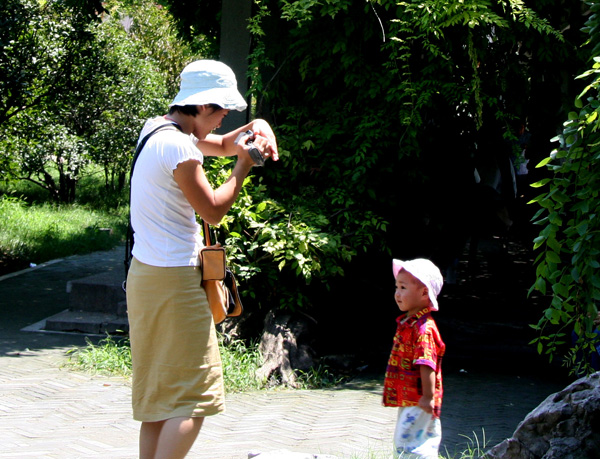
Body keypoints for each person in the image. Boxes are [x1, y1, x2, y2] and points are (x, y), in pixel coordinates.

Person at [125, 59, 278, 459]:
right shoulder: (179, 145)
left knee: (160, 396)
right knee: (194, 396)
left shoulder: (157, 130)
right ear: (203, 106)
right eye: (222, 112)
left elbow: (226, 143)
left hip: (145, 277)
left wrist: (259, 126)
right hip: (175, 281)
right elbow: (212, 210)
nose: (223, 119)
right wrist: (243, 167)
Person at [383, 258, 445, 458]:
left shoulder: (423, 329)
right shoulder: (410, 324)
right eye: (396, 287)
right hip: (410, 398)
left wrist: (427, 397)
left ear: (424, 292)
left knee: (416, 444)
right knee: (405, 438)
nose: (397, 293)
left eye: (403, 287)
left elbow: (426, 363)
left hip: (419, 399)